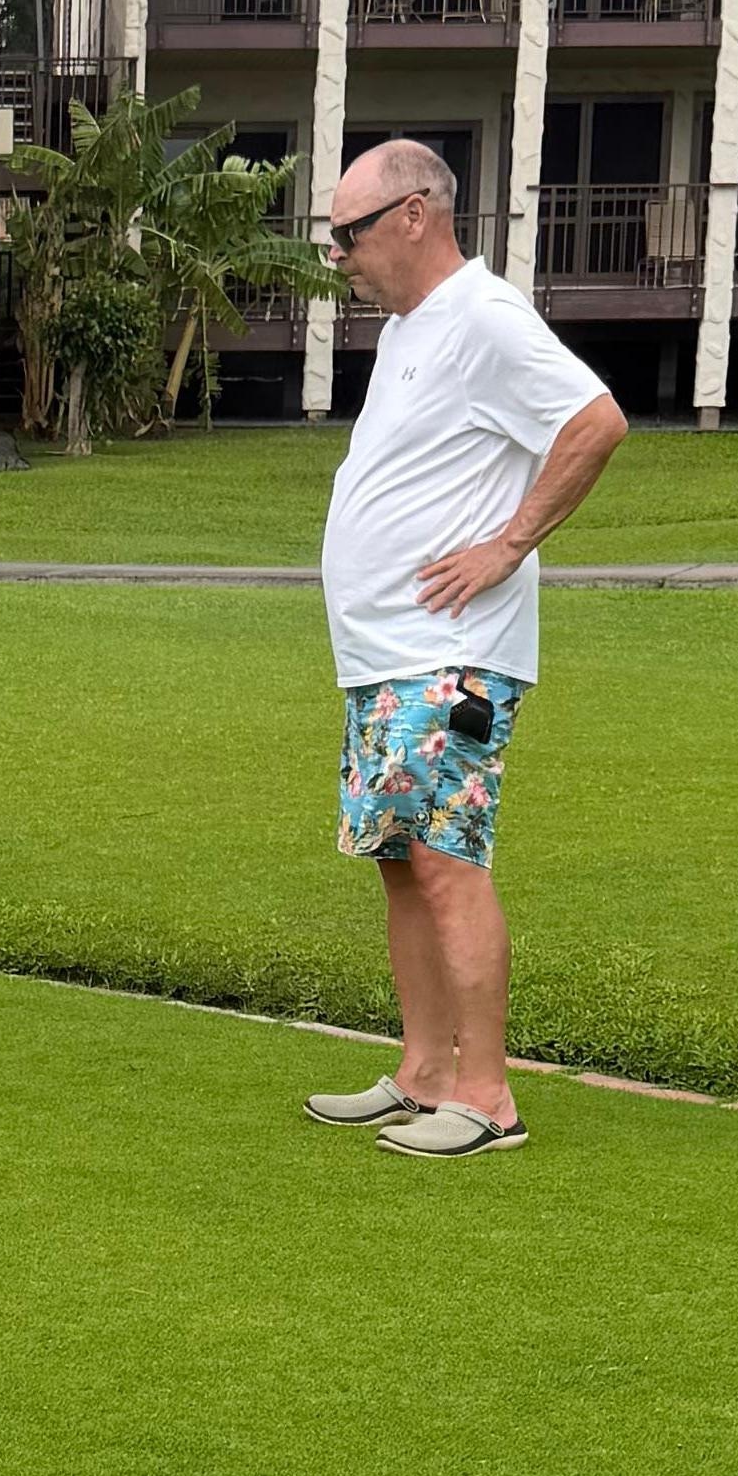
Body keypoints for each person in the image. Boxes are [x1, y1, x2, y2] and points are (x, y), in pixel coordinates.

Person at [297, 137, 626, 1160]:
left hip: (448, 660)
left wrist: (509, 543)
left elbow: (595, 420)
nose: (338, 255)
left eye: (348, 233)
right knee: (402, 865)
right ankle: (422, 1073)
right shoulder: (410, 331)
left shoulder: (484, 318)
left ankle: (487, 1096)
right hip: (387, 657)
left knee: (447, 864)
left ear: (413, 216)